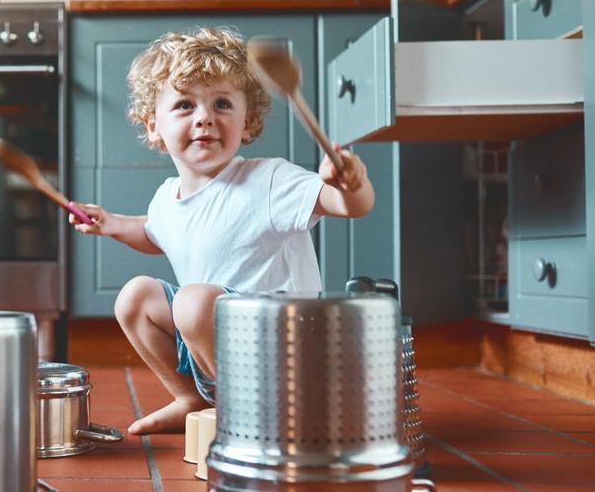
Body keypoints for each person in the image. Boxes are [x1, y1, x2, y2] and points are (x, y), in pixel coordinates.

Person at [70, 27, 375, 435]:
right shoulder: (166, 198)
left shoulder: (269, 180)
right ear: (153, 126)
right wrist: (111, 224)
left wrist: (350, 184)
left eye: (222, 103)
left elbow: (349, 206)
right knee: (135, 298)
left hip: (286, 353)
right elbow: (156, 232)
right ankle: (191, 399)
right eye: (184, 105)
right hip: (218, 346)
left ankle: (256, 414)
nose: (204, 117)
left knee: (193, 303)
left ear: (246, 122)